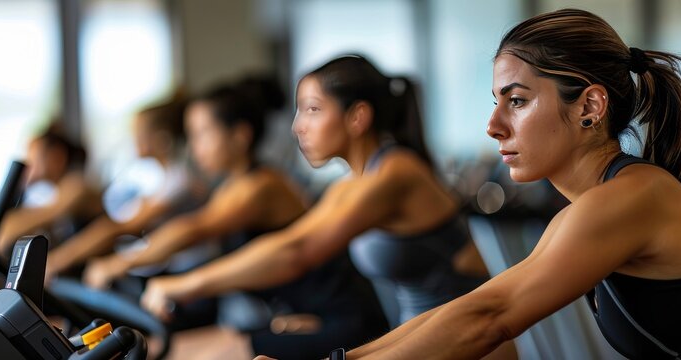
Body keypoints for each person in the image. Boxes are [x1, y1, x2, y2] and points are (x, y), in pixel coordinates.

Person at [333, 9, 681, 359]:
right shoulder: (592, 208)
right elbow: (474, 304)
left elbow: (490, 317)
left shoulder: (634, 198)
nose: (493, 125)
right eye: (496, 101)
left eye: (517, 101)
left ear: (589, 106)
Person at [137, 56, 488, 355]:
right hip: (413, 339)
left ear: (357, 117)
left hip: (466, 345)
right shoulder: (350, 186)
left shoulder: (395, 173)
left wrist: (185, 284)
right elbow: (291, 242)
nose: (297, 127)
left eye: (312, 110)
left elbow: (296, 250)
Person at [42, 95, 208, 279]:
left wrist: (59, 261)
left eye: (140, 134)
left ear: (162, 138)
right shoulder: (159, 178)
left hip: (190, 269)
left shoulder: (179, 179)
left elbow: (121, 227)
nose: (134, 140)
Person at [0, 123, 104, 259]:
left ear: (56, 157)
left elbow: (5, 235)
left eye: (32, 157)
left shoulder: (76, 185)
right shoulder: (52, 192)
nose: (27, 164)